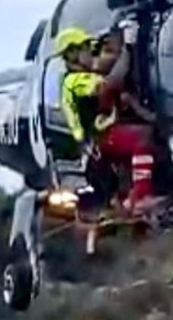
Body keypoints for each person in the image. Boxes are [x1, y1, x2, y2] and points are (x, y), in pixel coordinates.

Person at [55, 22, 157, 216]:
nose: (90, 53)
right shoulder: (75, 81)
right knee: (143, 138)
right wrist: (128, 48)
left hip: (102, 138)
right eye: (85, 49)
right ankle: (141, 196)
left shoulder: (75, 79)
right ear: (72, 54)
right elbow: (110, 84)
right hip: (102, 138)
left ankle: (128, 197)